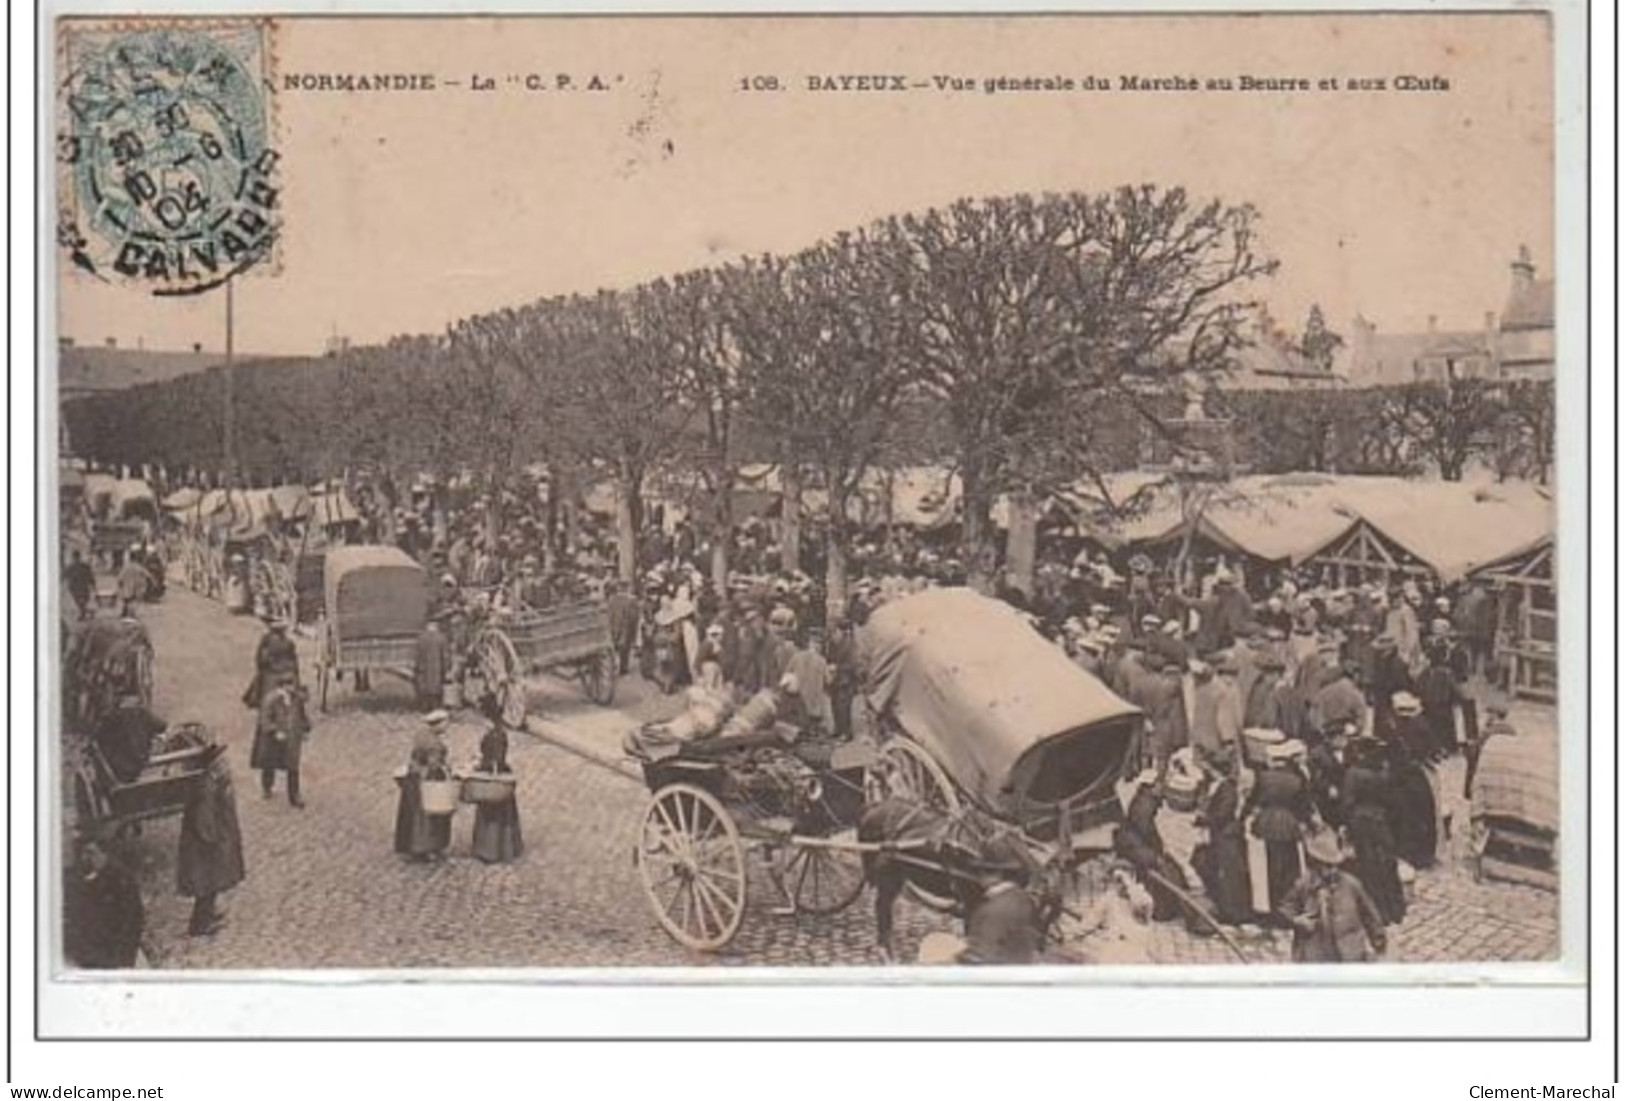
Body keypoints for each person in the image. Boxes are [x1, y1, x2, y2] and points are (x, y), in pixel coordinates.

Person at [1277, 827, 1387, 963]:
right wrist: (1297, 920)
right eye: (1327, 866)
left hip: (1349, 952)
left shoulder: (1351, 884)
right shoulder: (1304, 885)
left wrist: (1379, 944)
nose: (1333, 870)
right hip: (1315, 953)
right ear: (1316, 864)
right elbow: (1285, 908)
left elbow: (1370, 916)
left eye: (1336, 866)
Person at [176, 746, 246, 936]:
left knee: (211, 884)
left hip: (210, 842)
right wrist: (213, 840)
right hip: (205, 847)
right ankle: (199, 925)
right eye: (223, 764)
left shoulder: (215, 783)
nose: (227, 766)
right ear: (214, 767)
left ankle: (207, 916)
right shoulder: (207, 786)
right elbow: (203, 819)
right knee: (206, 885)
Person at [1340, 737, 1407, 925]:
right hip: (1381, 821)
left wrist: (1346, 822)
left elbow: (1347, 803)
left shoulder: (1353, 774)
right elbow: (1393, 802)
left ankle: (1377, 911)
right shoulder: (1383, 773)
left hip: (1361, 822)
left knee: (1368, 866)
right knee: (1386, 863)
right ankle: (1395, 909)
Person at [1243, 741, 1312, 919]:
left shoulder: (1263, 777)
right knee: (1289, 867)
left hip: (1267, 821)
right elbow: (1304, 805)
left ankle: (1272, 908)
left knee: (1270, 868)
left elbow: (1253, 801)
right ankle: (1287, 906)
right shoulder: (1297, 779)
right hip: (1289, 822)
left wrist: (1245, 817)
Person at [62, 831, 145, 969]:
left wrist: (124, 958)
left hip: (115, 952)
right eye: (83, 854)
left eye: (91, 853)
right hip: (86, 954)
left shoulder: (121, 880)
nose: (86, 858)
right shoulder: (76, 880)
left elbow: (133, 920)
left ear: (104, 853)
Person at [1190, 754, 1254, 926]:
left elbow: (1222, 815)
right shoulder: (1221, 786)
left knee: (1228, 875)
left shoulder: (1226, 789)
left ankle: (1234, 913)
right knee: (1223, 872)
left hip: (1227, 836)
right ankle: (1228, 909)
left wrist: (1202, 819)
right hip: (1223, 835)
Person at [395, 710, 454, 862]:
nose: (447, 726)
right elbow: (434, 765)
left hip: (413, 776)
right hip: (427, 780)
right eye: (446, 722)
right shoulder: (434, 744)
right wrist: (447, 769)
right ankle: (426, 847)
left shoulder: (421, 735)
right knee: (428, 814)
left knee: (413, 811)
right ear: (438, 724)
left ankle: (411, 845)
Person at [470, 710, 524, 865]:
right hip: (497, 772)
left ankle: (491, 850)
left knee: (492, 812)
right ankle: (506, 847)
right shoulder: (497, 733)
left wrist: (483, 765)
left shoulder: (495, 736)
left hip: (494, 776)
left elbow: (496, 759)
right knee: (503, 812)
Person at [251, 669, 310, 807]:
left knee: (293, 765)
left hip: (292, 737)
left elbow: (301, 714)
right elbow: (264, 720)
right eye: (288, 686)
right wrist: (274, 731)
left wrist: (305, 729)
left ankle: (294, 796)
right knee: (270, 763)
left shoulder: (296, 699)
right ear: (281, 686)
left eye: (293, 685)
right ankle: (267, 786)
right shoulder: (271, 699)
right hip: (274, 739)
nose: (291, 688)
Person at [244, 617, 300, 710]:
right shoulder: (289, 642)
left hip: (273, 670)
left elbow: (259, 656)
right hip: (285, 671)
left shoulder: (267, 639)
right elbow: (294, 660)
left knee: (261, 678)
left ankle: (257, 699)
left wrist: (261, 666)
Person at [413, 614, 450, 712]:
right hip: (437, 670)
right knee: (436, 692)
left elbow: (417, 656)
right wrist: (446, 669)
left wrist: (417, 668)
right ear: (436, 625)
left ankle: (424, 709)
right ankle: (435, 710)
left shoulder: (421, 638)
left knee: (424, 691)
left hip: (423, 670)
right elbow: (445, 657)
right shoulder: (442, 638)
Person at [606, 580, 641, 676]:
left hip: (614, 625)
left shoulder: (612, 599)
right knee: (625, 647)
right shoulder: (631, 600)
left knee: (615, 646)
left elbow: (609, 614)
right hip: (625, 626)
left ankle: (615, 666)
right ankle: (622, 667)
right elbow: (633, 616)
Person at [65, 549, 95, 619]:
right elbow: (90, 575)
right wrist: (92, 584)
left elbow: (65, 575)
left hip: (77, 586)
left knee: (81, 599)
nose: (75, 559)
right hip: (79, 586)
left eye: (75, 557)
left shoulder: (72, 566)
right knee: (81, 599)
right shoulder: (82, 566)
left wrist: (92, 583)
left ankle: (83, 612)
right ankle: (84, 611)